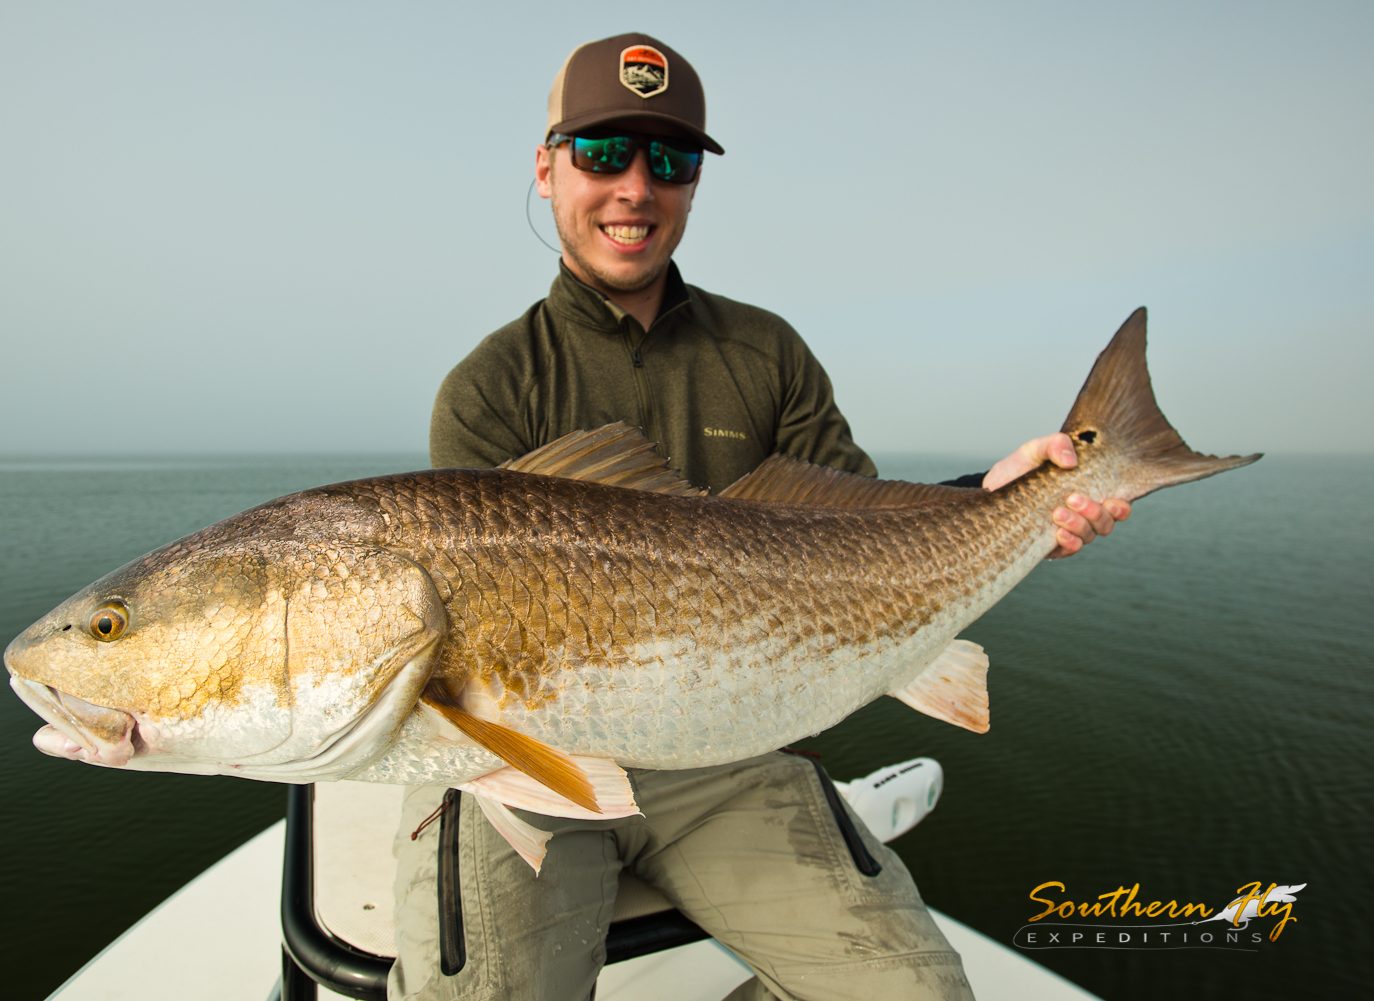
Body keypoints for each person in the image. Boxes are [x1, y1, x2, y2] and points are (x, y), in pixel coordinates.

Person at [389, 33, 1129, 1001]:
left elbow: (869, 531)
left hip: (731, 754)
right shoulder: (488, 389)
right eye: (604, 152)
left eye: (672, 158)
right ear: (546, 167)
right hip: (531, 759)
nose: (636, 188)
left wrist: (997, 499)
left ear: (694, 182)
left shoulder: (767, 353)